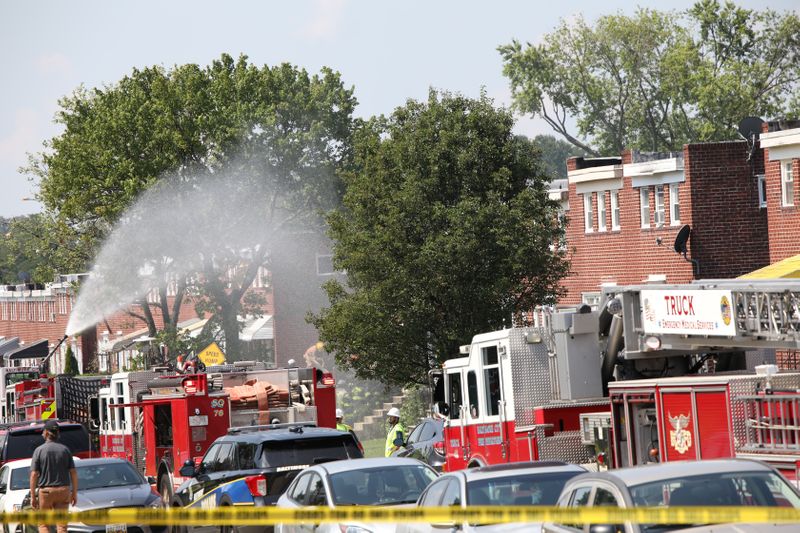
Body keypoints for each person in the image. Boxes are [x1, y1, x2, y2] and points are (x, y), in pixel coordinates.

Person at [30, 420, 78, 533]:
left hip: (46, 492)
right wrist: (74, 492)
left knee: (43, 524)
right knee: (62, 526)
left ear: (46, 433)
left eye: (43, 431)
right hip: (63, 490)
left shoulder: (39, 451)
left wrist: (33, 496)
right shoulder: (65, 450)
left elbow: (34, 474)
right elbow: (73, 473)